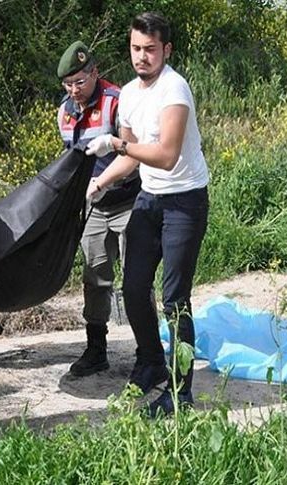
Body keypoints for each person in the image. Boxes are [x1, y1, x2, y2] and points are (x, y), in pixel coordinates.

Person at [85, 12, 209, 417]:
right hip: (149, 198)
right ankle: (152, 360)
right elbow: (134, 158)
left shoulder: (175, 90)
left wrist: (117, 146)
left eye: (150, 49)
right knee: (134, 288)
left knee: (176, 299)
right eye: (136, 48)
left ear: (166, 50)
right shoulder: (129, 94)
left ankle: (181, 390)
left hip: (184, 201)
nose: (142, 57)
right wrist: (100, 182)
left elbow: (167, 156)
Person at [55, 41, 140, 377]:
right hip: (93, 207)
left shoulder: (118, 102)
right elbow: (70, 162)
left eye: (80, 82)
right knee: (95, 277)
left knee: (137, 280)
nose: (74, 90)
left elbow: (132, 155)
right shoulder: (64, 111)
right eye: (68, 84)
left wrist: (103, 181)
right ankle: (96, 349)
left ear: (95, 72)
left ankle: (147, 354)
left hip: (129, 200)